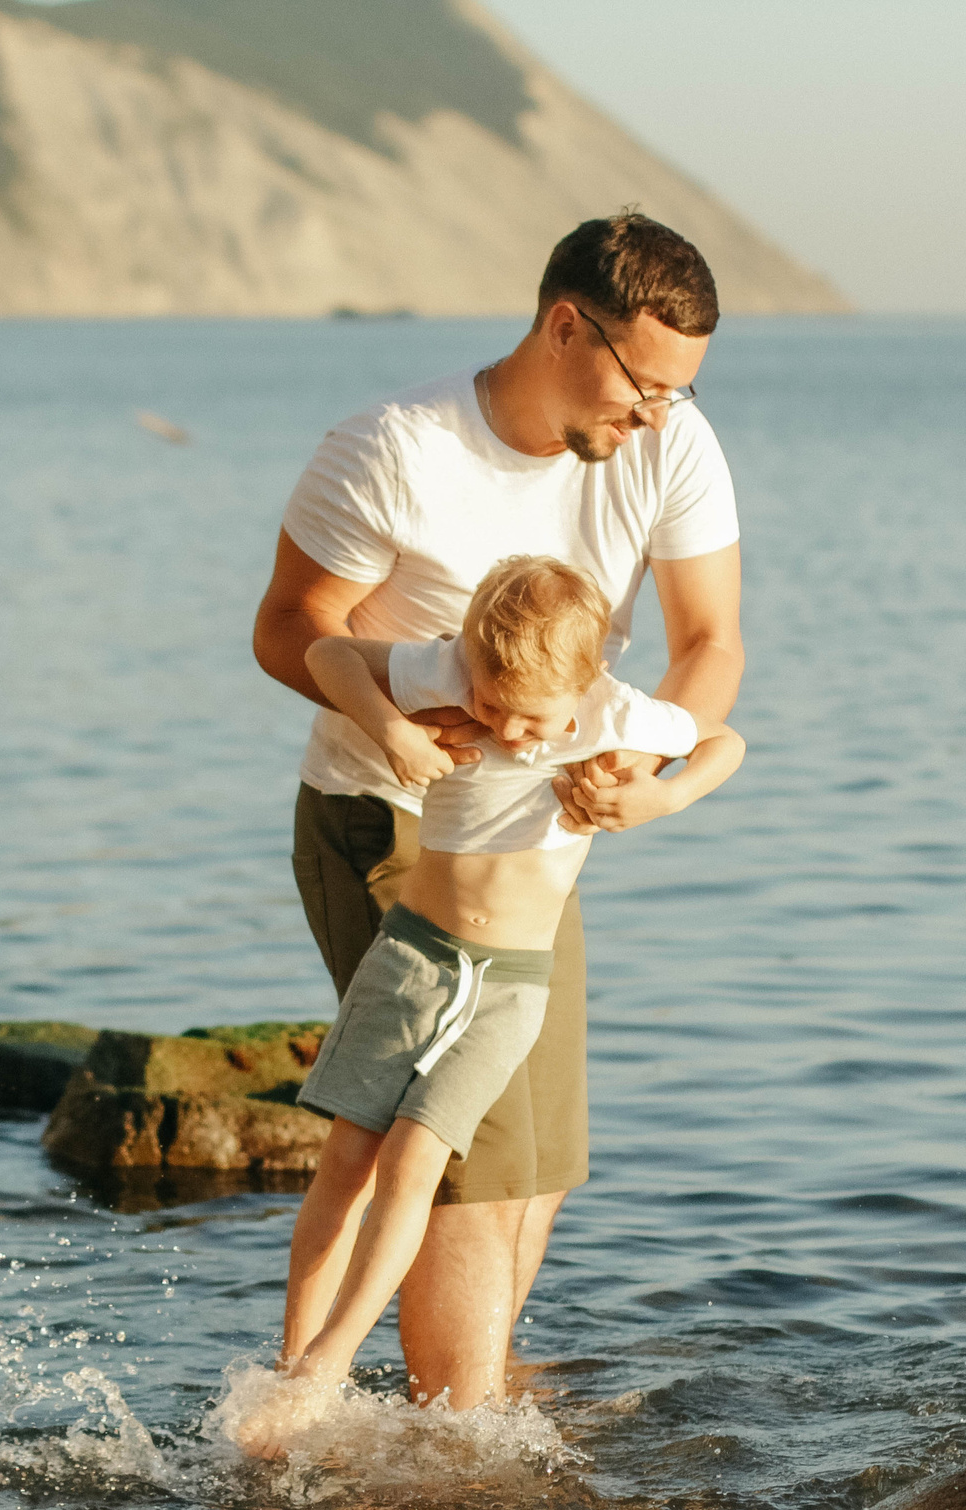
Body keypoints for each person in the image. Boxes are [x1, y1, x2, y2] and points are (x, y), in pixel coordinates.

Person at [251, 212, 745, 1409]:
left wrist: (644, 783)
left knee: (536, 1165)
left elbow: (710, 648)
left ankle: (453, 1398)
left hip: (550, 832)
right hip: (388, 819)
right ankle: (448, 1451)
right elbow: (287, 631)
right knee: (460, 1162)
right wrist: (395, 728)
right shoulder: (395, 447)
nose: (657, 416)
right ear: (565, 327)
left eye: (682, 393)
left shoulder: (667, 443)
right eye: (644, 385)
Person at [238, 558, 742, 1455]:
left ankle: (330, 1362)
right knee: (346, 1158)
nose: (508, 729)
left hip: (508, 983)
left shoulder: (619, 711)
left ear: (586, 686)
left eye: (533, 717)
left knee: (416, 1158)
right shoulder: (447, 668)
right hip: (410, 959)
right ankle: (296, 1372)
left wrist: (659, 793)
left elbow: (726, 743)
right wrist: (392, 730)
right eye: (490, 699)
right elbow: (329, 655)